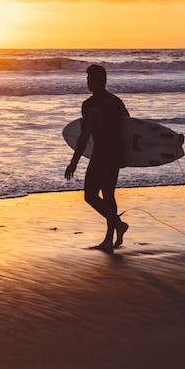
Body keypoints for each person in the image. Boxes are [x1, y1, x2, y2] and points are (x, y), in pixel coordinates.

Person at [65, 64, 130, 251]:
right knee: (108, 195)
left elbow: (85, 135)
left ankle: (115, 228)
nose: (87, 82)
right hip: (115, 153)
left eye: (89, 79)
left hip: (101, 154)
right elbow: (129, 128)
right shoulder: (116, 102)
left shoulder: (89, 105)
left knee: (91, 196)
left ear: (95, 81)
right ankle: (112, 233)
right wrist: (126, 156)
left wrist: (74, 162)